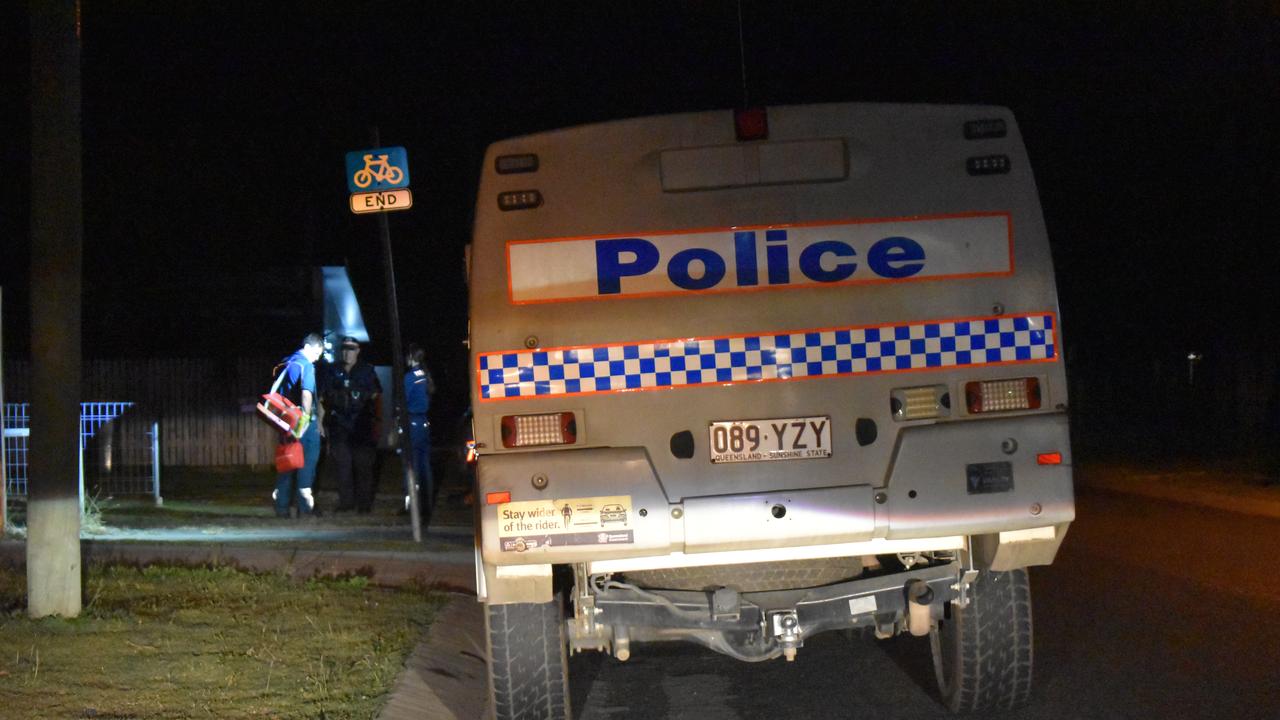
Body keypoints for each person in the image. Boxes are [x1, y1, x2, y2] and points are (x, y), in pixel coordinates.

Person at [320, 336, 382, 513]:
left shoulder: (367, 371)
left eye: (351, 348)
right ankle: (346, 503)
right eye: (345, 349)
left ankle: (364, 505)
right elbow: (324, 397)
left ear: (358, 350)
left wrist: (379, 423)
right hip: (339, 425)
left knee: (363, 466)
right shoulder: (333, 371)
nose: (347, 352)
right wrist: (320, 423)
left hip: (362, 425)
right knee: (343, 466)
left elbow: (377, 397)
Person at [272, 332, 324, 518]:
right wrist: (306, 419)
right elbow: (307, 394)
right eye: (317, 353)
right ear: (308, 347)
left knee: (287, 462)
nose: (317, 358)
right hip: (302, 421)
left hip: (285, 419)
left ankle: (282, 508)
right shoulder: (306, 366)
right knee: (307, 463)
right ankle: (305, 507)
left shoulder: (287, 362)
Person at [403, 343, 436, 521]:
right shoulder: (425, 375)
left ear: (410, 357)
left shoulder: (409, 377)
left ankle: (411, 506)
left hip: (412, 423)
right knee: (425, 466)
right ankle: (427, 504)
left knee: (410, 465)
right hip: (424, 423)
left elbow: (402, 401)